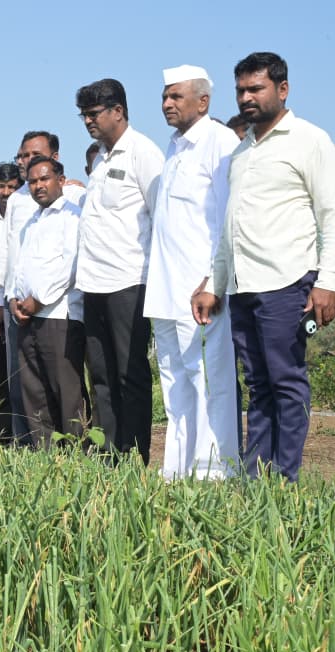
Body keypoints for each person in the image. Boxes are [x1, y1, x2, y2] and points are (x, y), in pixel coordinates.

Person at [193, 52, 335, 482]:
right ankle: (256, 481)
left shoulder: (310, 140)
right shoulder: (241, 152)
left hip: (287, 281)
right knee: (258, 386)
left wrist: (329, 281)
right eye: (240, 90)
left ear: (282, 89)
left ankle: (284, 481)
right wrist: (215, 285)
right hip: (243, 286)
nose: (246, 97)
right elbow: (229, 230)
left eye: (255, 88)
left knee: (286, 382)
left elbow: (333, 215)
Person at [146, 65, 241, 481]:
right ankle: (177, 472)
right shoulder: (174, 147)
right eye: (165, 96)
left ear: (203, 101)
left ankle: (214, 475)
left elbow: (226, 218)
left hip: (199, 289)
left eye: (176, 96)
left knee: (209, 382)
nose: (167, 103)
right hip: (165, 289)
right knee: (174, 383)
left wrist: (212, 280)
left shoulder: (220, 142)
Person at [75, 79, 164, 464]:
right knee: (101, 375)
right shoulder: (100, 160)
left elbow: (161, 217)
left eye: (94, 114)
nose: (88, 121)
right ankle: (109, 453)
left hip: (129, 281)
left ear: (118, 111)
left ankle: (135, 455)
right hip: (93, 283)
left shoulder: (143, 152)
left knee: (130, 374)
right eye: (84, 115)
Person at [0, 131, 85, 445]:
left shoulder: (73, 213)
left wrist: (37, 300)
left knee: (65, 390)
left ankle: (74, 456)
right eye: (32, 180)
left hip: (57, 314)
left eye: (44, 178)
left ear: (60, 177)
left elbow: (69, 266)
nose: (38, 185)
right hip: (25, 314)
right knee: (32, 390)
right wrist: (13, 298)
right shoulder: (29, 216)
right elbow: (16, 262)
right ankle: (41, 455)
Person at [0, 162, 23, 444]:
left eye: (12, 187)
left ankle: (21, 432)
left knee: (17, 373)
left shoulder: (24, 215)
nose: (6, 192)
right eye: (1, 186)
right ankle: (2, 435)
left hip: (13, 305)